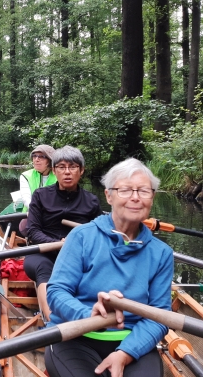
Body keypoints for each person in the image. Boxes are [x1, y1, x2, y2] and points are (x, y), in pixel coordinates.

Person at [45, 158, 173, 377]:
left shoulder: (161, 253)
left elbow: (159, 316)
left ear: (152, 198)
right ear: (109, 196)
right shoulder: (82, 236)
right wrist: (89, 314)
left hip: (133, 341)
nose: (135, 197)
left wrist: (125, 353)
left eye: (143, 191)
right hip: (75, 336)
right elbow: (57, 293)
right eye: (125, 190)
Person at [22, 146, 101, 322]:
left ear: (81, 171)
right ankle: (53, 322)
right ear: (54, 170)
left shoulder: (91, 201)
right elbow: (33, 231)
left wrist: (74, 246)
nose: (67, 172)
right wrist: (58, 243)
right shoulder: (41, 196)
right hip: (44, 252)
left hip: (79, 255)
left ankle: (90, 315)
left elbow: (98, 235)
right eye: (61, 167)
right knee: (44, 269)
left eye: (72, 167)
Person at [18, 144, 57, 211]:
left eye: (41, 157)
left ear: (50, 161)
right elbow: (26, 198)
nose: (36, 159)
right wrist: (37, 210)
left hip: (53, 214)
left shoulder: (59, 175)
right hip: (30, 213)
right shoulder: (25, 176)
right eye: (34, 156)